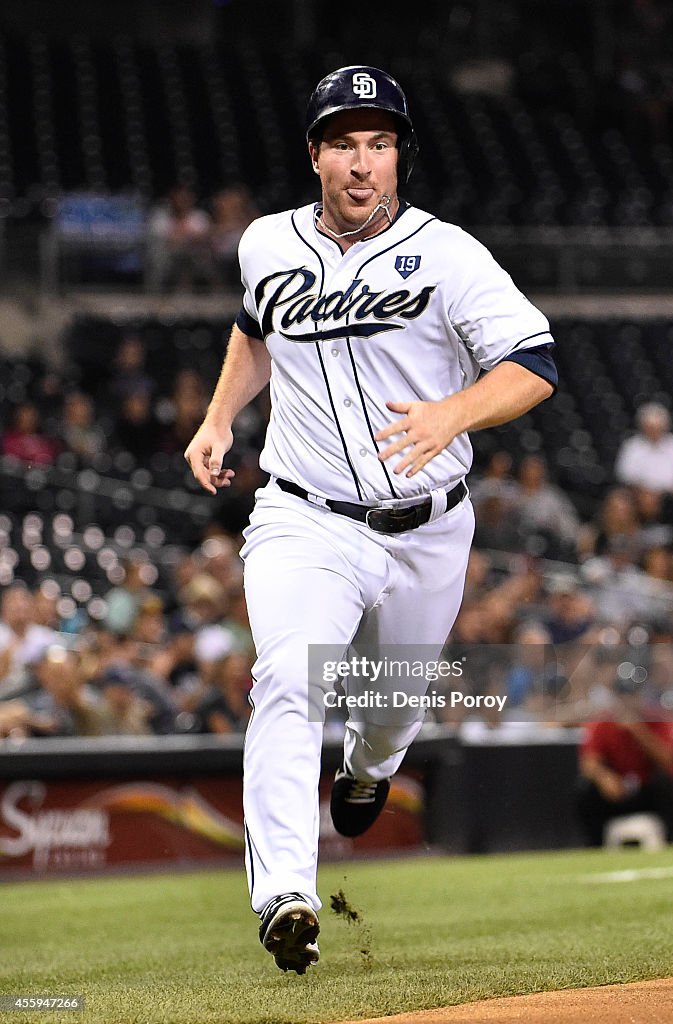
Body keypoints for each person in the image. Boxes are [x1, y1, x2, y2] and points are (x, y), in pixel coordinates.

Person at [184, 65, 556, 974]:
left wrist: (450, 415)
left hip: (430, 526)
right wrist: (218, 415)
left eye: (379, 144)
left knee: (392, 711)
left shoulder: (448, 253)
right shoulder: (268, 244)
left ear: (400, 158)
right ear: (315, 155)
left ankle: (371, 766)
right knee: (286, 677)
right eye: (344, 142)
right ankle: (286, 897)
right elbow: (252, 329)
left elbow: (537, 362)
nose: (362, 162)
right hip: (305, 519)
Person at [576, 674, 673, 847]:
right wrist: (604, 777)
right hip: (616, 791)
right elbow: (588, 762)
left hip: (647, 790)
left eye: (633, 695)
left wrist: (638, 731)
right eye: (623, 695)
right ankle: (595, 843)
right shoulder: (602, 722)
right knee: (585, 790)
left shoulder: (659, 719)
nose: (628, 701)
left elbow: (669, 761)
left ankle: (672, 838)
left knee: (670, 785)